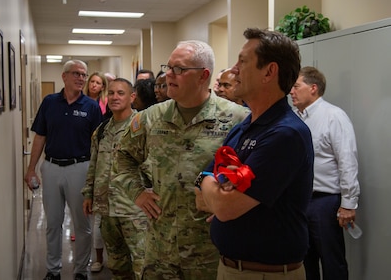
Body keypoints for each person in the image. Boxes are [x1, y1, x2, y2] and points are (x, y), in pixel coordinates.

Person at [114, 40, 250, 279]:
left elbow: (252, 176)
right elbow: (122, 157)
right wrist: (138, 193)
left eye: (179, 69)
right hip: (161, 250)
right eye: (168, 67)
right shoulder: (151, 117)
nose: (169, 75)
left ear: (203, 76)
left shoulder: (237, 119)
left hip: (212, 252)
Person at [198, 28, 314, 280]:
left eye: (242, 61)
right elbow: (202, 186)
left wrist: (216, 195)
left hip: (265, 273)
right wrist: (213, 190)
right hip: (231, 267)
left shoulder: (286, 134)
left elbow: (224, 206)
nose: (234, 69)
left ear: (269, 72)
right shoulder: (245, 126)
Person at [24, 60, 103, 280]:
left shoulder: (91, 107)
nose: (81, 78)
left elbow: (98, 144)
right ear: (64, 76)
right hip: (51, 167)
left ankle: (80, 271)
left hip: (80, 168)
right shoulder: (49, 103)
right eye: (76, 74)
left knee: (82, 225)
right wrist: (31, 169)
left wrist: (95, 176)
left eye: (84, 75)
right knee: (53, 223)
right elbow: (40, 136)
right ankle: (53, 270)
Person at [290, 66, 361, 280]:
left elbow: (347, 161)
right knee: (304, 261)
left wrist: (348, 203)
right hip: (299, 202)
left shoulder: (333, 116)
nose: (291, 91)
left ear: (313, 88)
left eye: (296, 86)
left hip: (325, 202)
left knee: (332, 262)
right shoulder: (294, 119)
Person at [82, 78, 147, 279]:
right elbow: (94, 163)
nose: (114, 97)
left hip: (134, 210)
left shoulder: (143, 127)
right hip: (107, 208)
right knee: (117, 265)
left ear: (132, 97)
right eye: (111, 93)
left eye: (120, 93)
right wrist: (88, 193)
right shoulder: (101, 130)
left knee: (142, 264)